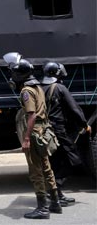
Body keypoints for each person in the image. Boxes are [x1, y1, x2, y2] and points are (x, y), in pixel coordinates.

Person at [7, 55, 61, 219]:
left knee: (35, 170)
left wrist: (27, 139)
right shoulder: (38, 87)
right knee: (46, 167)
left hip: (35, 132)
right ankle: (55, 202)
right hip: (43, 131)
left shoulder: (27, 91)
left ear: (21, 74)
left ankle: (42, 208)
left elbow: (31, 115)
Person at [41, 62, 91, 206]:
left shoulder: (39, 88)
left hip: (45, 131)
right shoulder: (60, 88)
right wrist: (84, 124)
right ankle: (54, 189)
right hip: (58, 131)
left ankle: (57, 194)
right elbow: (74, 109)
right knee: (73, 160)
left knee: (55, 162)